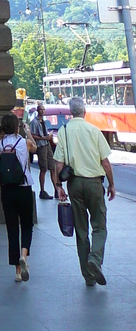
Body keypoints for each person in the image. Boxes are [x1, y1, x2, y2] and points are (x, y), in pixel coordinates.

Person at [53, 96, 116, 286]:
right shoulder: (94, 130)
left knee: (81, 230)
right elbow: (105, 162)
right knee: (99, 226)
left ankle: (88, 277)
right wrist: (112, 185)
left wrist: (59, 187)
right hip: (94, 184)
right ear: (84, 111)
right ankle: (94, 259)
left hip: (74, 184)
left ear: (71, 112)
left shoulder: (64, 131)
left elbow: (58, 164)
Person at [0, 113, 37, 281]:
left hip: (7, 190)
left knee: (12, 229)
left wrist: (0, 136)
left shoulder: (1, 143)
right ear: (17, 126)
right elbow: (35, 147)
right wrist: (28, 132)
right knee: (27, 225)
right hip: (24, 187)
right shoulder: (24, 142)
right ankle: (24, 256)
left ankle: (18, 272)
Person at [30, 103, 62, 200]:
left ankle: (56, 190)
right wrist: (44, 137)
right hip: (41, 146)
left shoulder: (43, 121)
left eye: (44, 110)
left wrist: (49, 138)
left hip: (47, 145)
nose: (43, 111)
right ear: (37, 110)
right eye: (41, 110)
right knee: (43, 169)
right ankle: (42, 191)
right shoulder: (34, 122)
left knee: (53, 168)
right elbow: (32, 135)